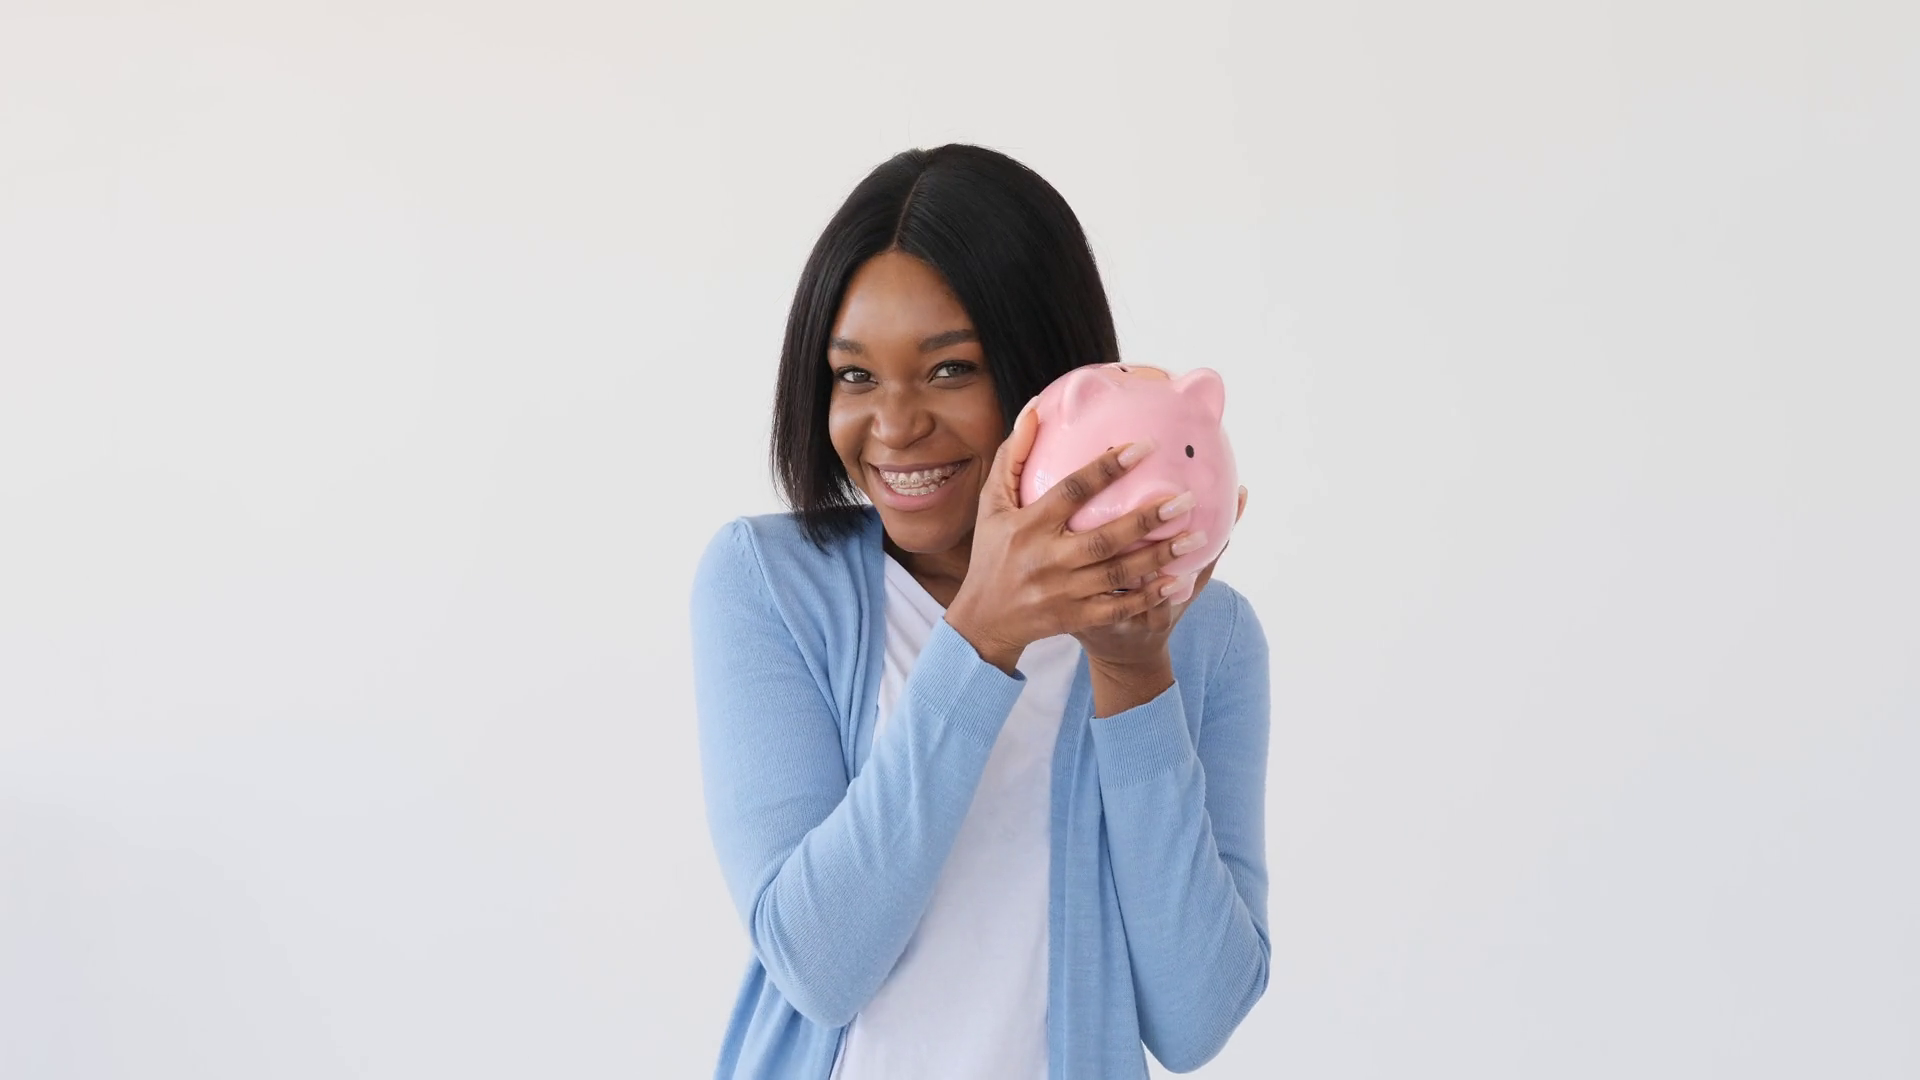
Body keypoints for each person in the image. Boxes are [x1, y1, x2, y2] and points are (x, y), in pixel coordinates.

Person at [689, 144, 1270, 1079]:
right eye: (855, 376)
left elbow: (1194, 1019)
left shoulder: (1205, 636)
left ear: (1049, 374)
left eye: (950, 369)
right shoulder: (770, 586)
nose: (895, 426)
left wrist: (1133, 674)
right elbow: (816, 965)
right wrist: (982, 635)